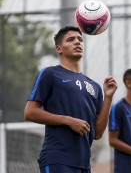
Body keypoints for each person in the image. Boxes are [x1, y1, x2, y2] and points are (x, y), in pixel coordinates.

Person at [24, 26, 118, 173]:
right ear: (59, 48)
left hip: (84, 164)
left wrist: (108, 98)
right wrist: (69, 120)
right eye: (70, 39)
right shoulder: (50, 74)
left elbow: (97, 133)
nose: (77, 42)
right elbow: (30, 112)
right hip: (57, 159)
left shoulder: (94, 86)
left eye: (80, 39)